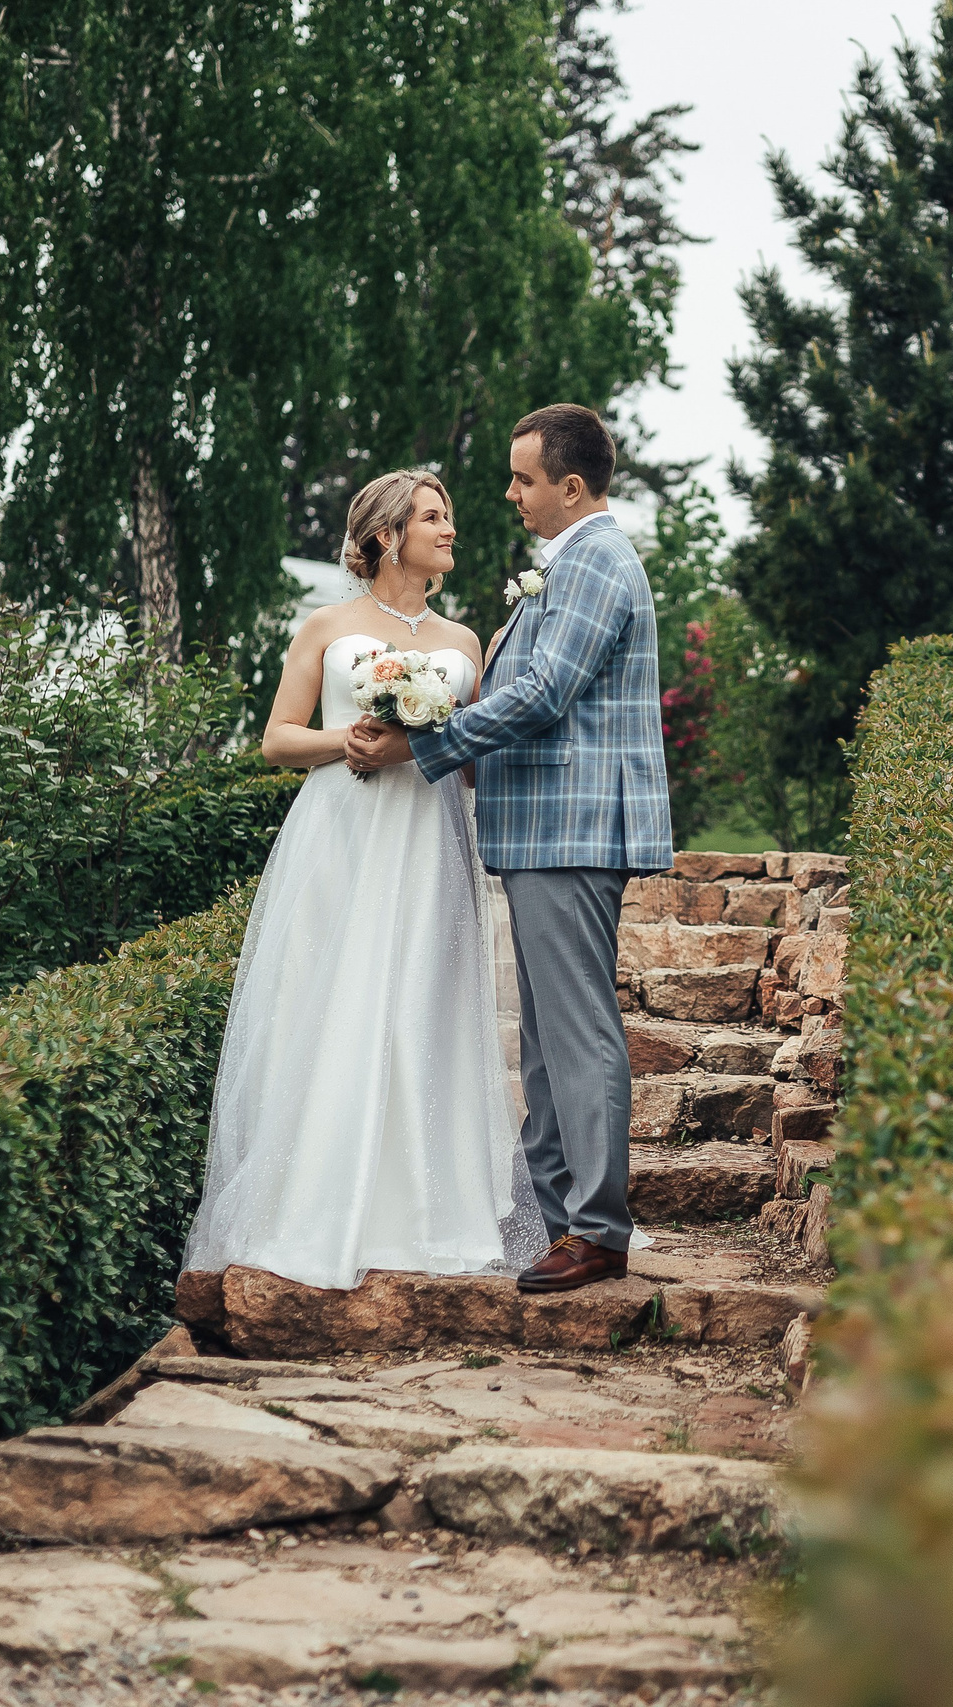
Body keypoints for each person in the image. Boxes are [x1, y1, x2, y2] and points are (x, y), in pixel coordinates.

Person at [183, 468, 546, 1287]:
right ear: (387, 535)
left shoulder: (464, 642)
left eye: (448, 515)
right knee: (335, 999)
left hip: (430, 837)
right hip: (342, 832)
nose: (450, 529)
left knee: (425, 1000)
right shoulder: (328, 624)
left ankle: (426, 1208)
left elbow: (474, 759)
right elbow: (278, 738)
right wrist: (345, 740)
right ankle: (319, 1202)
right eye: (433, 516)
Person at [361, 404, 675, 1294]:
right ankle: (550, 1215)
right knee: (543, 1041)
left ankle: (598, 1229)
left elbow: (542, 693)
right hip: (544, 828)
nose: (509, 493)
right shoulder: (569, 562)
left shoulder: (597, 560)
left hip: (572, 828)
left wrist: (426, 745)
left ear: (571, 487)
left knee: (576, 1034)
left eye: (523, 478)